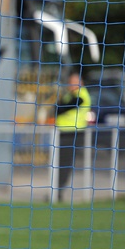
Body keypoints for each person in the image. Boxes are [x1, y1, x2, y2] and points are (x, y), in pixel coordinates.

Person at [55, 72, 91, 201]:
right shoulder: (71, 95)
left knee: (64, 164)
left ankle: (58, 192)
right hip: (63, 133)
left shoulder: (81, 96)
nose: (70, 85)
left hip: (72, 134)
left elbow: (61, 108)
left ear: (80, 82)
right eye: (70, 82)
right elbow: (57, 108)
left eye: (73, 82)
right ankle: (56, 191)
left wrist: (59, 106)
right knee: (59, 164)